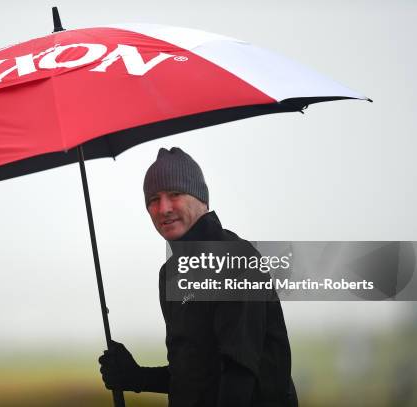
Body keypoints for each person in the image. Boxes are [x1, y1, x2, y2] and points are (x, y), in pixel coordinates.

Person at [98, 147, 298, 406]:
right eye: (153, 200)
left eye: (175, 194)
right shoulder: (170, 274)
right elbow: (194, 376)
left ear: (202, 200)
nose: (164, 208)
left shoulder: (234, 259)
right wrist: (137, 377)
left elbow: (239, 373)